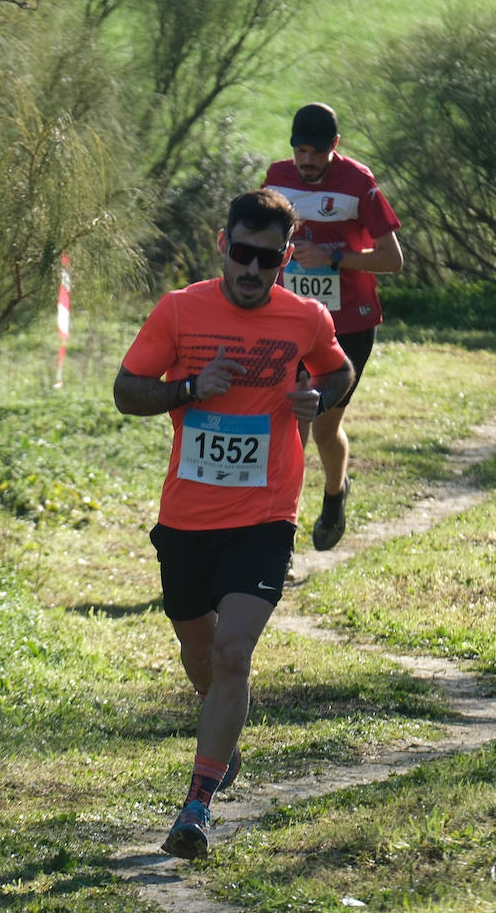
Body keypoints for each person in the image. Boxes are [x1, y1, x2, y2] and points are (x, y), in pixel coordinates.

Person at [113, 188, 355, 860]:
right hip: (187, 516)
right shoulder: (180, 310)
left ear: (283, 258)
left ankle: (198, 802)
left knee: (232, 653)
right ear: (222, 244)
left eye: (267, 259)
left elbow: (340, 370)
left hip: (266, 511)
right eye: (243, 254)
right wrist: (190, 389)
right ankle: (225, 739)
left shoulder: (303, 317)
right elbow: (127, 390)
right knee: (198, 645)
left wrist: (317, 397)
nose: (253, 270)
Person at [263, 102, 403, 551]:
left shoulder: (359, 184)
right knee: (291, 430)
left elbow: (393, 259)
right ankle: (276, 536)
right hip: (293, 323)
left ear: (334, 147)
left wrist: (335, 257)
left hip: (349, 327)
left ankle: (335, 493)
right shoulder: (276, 178)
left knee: (323, 430)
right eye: (300, 150)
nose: (306, 161)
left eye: (316, 153)